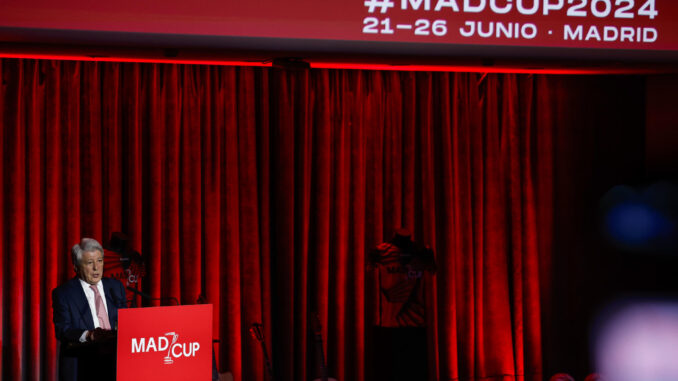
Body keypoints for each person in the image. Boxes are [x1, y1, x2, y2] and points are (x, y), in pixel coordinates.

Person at [52, 238, 127, 381]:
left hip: (117, 364)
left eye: (99, 261)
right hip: (84, 365)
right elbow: (63, 330)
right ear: (76, 266)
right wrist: (89, 335)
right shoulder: (64, 294)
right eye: (89, 263)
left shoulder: (115, 287)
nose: (96, 268)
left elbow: (127, 321)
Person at [367, 229, 436, 381]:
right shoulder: (381, 251)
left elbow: (432, 272)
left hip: (415, 327)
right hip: (387, 327)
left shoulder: (422, 253)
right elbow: (370, 270)